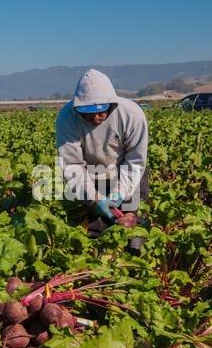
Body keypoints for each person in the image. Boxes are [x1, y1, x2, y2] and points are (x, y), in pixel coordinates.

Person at [56, 69, 149, 255]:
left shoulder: (132, 115)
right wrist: (95, 199)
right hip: (92, 172)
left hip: (126, 168)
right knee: (96, 226)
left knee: (132, 217)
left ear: (111, 106)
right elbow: (72, 165)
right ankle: (97, 260)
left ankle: (135, 256)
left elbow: (135, 160)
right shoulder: (66, 119)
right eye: (87, 114)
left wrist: (121, 191)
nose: (95, 118)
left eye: (100, 113)